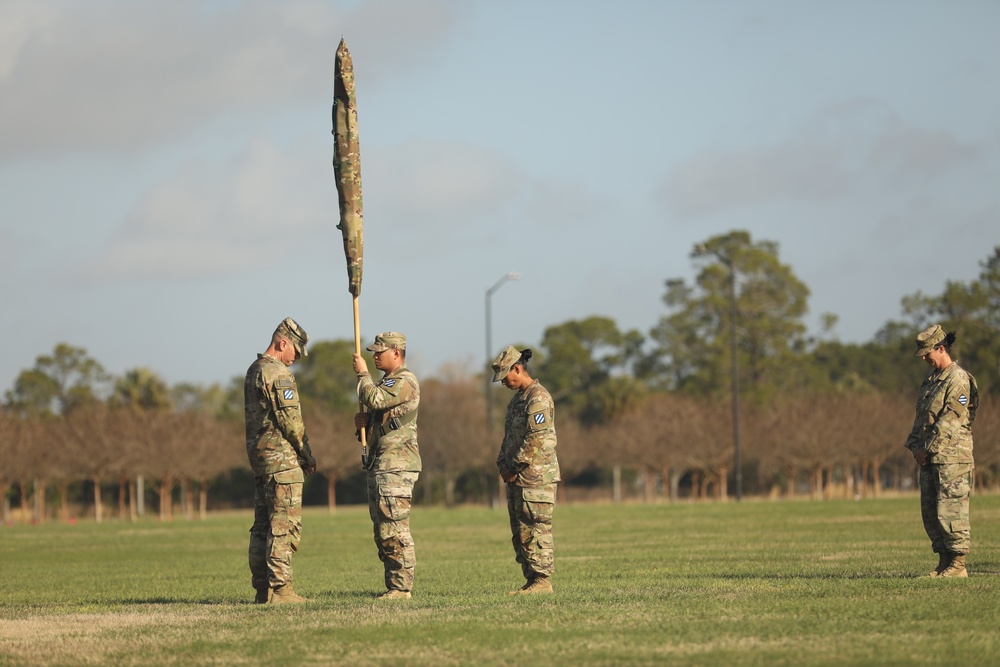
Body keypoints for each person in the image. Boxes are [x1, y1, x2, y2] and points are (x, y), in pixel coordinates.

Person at [244, 317, 317, 603]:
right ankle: (281, 589)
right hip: (282, 461)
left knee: (262, 525)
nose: (295, 359)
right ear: (282, 343)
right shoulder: (278, 374)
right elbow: (291, 421)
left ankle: (263, 590)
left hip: (261, 460)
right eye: (295, 353)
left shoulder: (254, 370)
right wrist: (306, 452)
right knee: (283, 524)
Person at [904, 324, 978, 578]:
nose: (924, 358)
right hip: (929, 459)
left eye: (927, 353)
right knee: (932, 511)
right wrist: (915, 446)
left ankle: (958, 565)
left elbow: (951, 420)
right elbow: (920, 419)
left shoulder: (958, 380)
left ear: (941, 348)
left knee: (951, 510)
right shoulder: (930, 382)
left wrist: (928, 449)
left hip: (952, 459)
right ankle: (945, 562)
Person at [353, 332, 421, 599]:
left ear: (397, 352)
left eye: (379, 352)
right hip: (381, 464)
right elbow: (377, 413)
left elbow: (377, 399)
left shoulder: (404, 381)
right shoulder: (386, 382)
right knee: (382, 529)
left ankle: (402, 587)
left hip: (397, 466)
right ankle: (393, 584)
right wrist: (363, 425)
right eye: (373, 352)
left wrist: (362, 374)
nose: (374, 356)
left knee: (395, 527)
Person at [492, 345, 560, 595]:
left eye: (504, 377)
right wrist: (502, 464)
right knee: (521, 531)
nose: (502, 383)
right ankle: (532, 580)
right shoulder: (516, 401)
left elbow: (536, 437)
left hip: (536, 478)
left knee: (537, 527)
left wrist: (515, 466)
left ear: (517, 369)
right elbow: (509, 437)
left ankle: (542, 581)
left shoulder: (538, 397)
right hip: (517, 478)